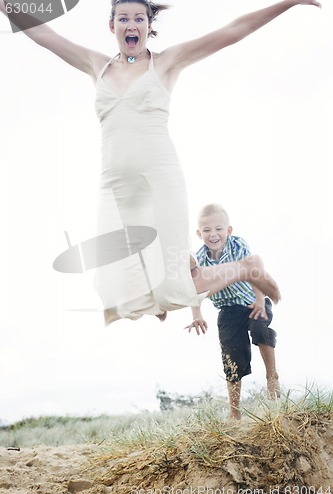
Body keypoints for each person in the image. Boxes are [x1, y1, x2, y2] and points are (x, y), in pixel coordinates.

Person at [0, 0, 320, 325]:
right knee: (120, 297)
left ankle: (245, 267)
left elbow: (232, 31)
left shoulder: (166, 63)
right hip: (115, 190)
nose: (131, 25)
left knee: (173, 287)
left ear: (148, 26)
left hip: (159, 183)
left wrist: (288, 3)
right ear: (112, 26)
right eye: (123, 18)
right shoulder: (96, 65)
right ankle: (173, 283)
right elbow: (42, 33)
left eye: (139, 18)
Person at [186, 204, 280, 420]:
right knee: (232, 355)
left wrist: (259, 300)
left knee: (260, 329)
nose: (213, 234)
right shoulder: (199, 258)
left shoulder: (238, 245)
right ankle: (234, 412)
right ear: (199, 234)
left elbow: (253, 271)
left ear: (228, 230)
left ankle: (271, 376)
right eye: (207, 230)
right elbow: (191, 287)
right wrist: (196, 314)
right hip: (228, 310)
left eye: (218, 229)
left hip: (252, 301)